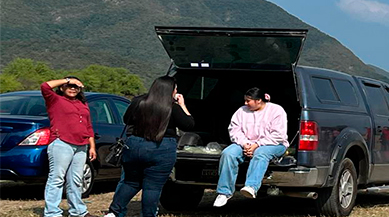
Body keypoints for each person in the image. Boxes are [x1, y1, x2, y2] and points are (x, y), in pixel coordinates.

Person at [105, 76, 194, 217]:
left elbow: (126, 119)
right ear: (170, 90)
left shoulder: (139, 102)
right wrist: (182, 104)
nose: (177, 91)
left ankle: (115, 212)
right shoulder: (172, 108)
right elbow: (189, 124)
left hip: (135, 145)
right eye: (175, 89)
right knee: (153, 187)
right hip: (162, 148)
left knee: (130, 182)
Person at [214, 87, 288, 207]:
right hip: (246, 144)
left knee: (261, 153)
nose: (245, 103)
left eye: (248, 101)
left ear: (258, 100)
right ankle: (224, 192)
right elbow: (234, 130)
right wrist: (245, 144)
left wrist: (256, 145)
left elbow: (278, 135)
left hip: (273, 144)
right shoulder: (241, 111)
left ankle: (251, 186)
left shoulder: (276, 110)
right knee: (228, 153)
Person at [41, 76, 98, 217]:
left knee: (76, 180)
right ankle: (52, 213)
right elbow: (45, 86)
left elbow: (88, 126)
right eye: (70, 86)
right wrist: (67, 80)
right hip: (62, 143)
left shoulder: (82, 104)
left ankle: (78, 211)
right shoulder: (55, 100)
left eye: (76, 87)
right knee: (57, 178)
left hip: (81, 145)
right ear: (62, 88)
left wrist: (92, 146)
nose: (73, 88)